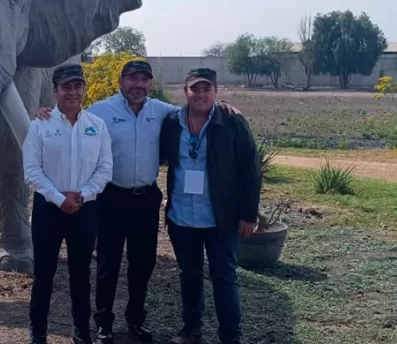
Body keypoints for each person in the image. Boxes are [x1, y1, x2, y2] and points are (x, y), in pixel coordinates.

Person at [35, 59, 239, 343]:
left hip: (146, 199)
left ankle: (136, 321)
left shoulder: (164, 113)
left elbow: (198, 107)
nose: (138, 85)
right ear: (121, 83)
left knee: (143, 263)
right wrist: (46, 113)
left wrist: (224, 107)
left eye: (144, 79)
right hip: (110, 197)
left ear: (150, 84)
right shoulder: (100, 111)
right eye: (132, 79)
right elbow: (74, 117)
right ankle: (104, 324)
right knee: (108, 263)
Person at [159, 68, 261, 344]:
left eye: (206, 89)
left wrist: (248, 215)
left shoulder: (232, 123)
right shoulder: (171, 122)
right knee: (189, 275)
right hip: (182, 216)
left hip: (221, 218)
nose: (200, 94)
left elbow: (251, 170)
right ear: (185, 91)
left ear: (216, 92)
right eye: (195, 89)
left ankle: (230, 336)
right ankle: (191, 329)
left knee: (224, 277)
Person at [23, 63, 113, 344]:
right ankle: (38, 333)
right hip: (49, 209)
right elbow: (32, 171)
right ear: (55, 91)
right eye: (66, 87)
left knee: (80, 273)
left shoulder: (96, 126)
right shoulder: (40, 125)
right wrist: (60, 199)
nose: (73, 92)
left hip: (85, 209)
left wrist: (83, 195)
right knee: (44, 274)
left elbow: (105, 168)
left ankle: (81, 332)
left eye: (78, 86)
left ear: (83, 89)